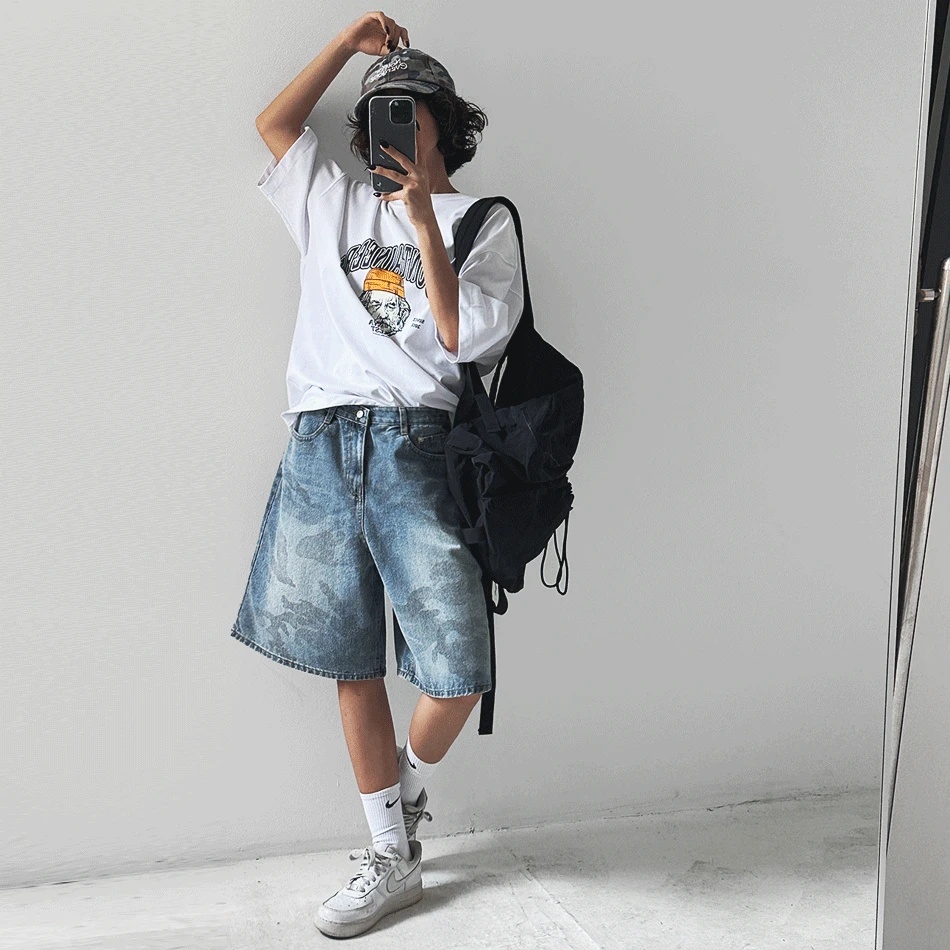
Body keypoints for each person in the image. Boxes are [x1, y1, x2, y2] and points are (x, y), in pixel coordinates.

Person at [230, 11, 525, 939]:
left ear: (442, 120)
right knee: (350, 661)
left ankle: (405, 797)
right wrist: (343, 46)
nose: (390, 123)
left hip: (416, 449)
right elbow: (275, 124)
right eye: (378, 112)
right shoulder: (330, 200)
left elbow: (463, 338)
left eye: (409, 108)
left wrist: (425, 222)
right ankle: (391, 855)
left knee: (458, 671)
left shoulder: (484, 221)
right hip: (319, 442)